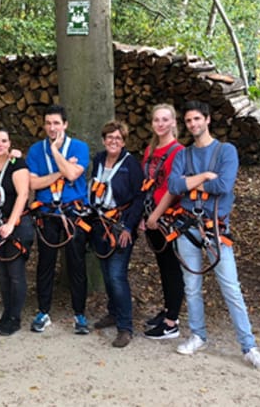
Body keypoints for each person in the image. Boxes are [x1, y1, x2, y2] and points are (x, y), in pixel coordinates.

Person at [167, 101, 260, 373]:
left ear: (207, 120)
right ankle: (198, 335)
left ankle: (249, 347)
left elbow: (224, 185)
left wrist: (191, 182)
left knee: (231, 287)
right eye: (189, 121)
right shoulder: (184, 154)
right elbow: (174, 185)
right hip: (188, 227)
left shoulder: (226, 151)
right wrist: (204, 176)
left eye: (196, 119)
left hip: (216, 228)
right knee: (191, 285)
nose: (193, 125)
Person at [26, 104, 91, 335]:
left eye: (56, 123)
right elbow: (33, 184)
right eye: (48, 123)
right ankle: (43, 311)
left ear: (65, 125)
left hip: (73, 212)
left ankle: (79, 314)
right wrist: (62, 170)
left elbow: (75, 174)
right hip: (47, 212)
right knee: (46, 262)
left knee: (76, 263)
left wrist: (55, 152)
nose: (52, 127)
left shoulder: (80, 147)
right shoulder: (35, 150)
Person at [88, 121, 145, 348]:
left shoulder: (131, 165)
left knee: (116, 275)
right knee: (105, 270)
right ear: (104, 140)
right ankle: (113, 312)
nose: (114, 142)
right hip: (100, 223)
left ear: (124, 141)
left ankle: (125, 327)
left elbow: (139, 198)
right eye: (110, 138)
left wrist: (129, 226)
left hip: (121, 225)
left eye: (118, 138)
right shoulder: (99, 159)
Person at [0, 128, 34, 336]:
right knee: (2, 273)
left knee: (15, 273)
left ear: (10, 143)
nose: (0, 144)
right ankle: (6, 313)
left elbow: (23, 195)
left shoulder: (17, 165)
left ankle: (15, 317)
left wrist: (11, 224)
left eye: (4, 140)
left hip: (17, 225)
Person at [140, 104, 185, 340]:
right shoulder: (151, 150)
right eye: (157, 120)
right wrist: (144, 216)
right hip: (151, 216)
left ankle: (172, 321)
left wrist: (156, 215)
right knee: (163, 265)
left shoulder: (178, 152)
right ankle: (168, 309)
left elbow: (173, 188)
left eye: (165, 120)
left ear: (173, 122)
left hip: (167, 218)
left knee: (171, 267)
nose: (160, 124)